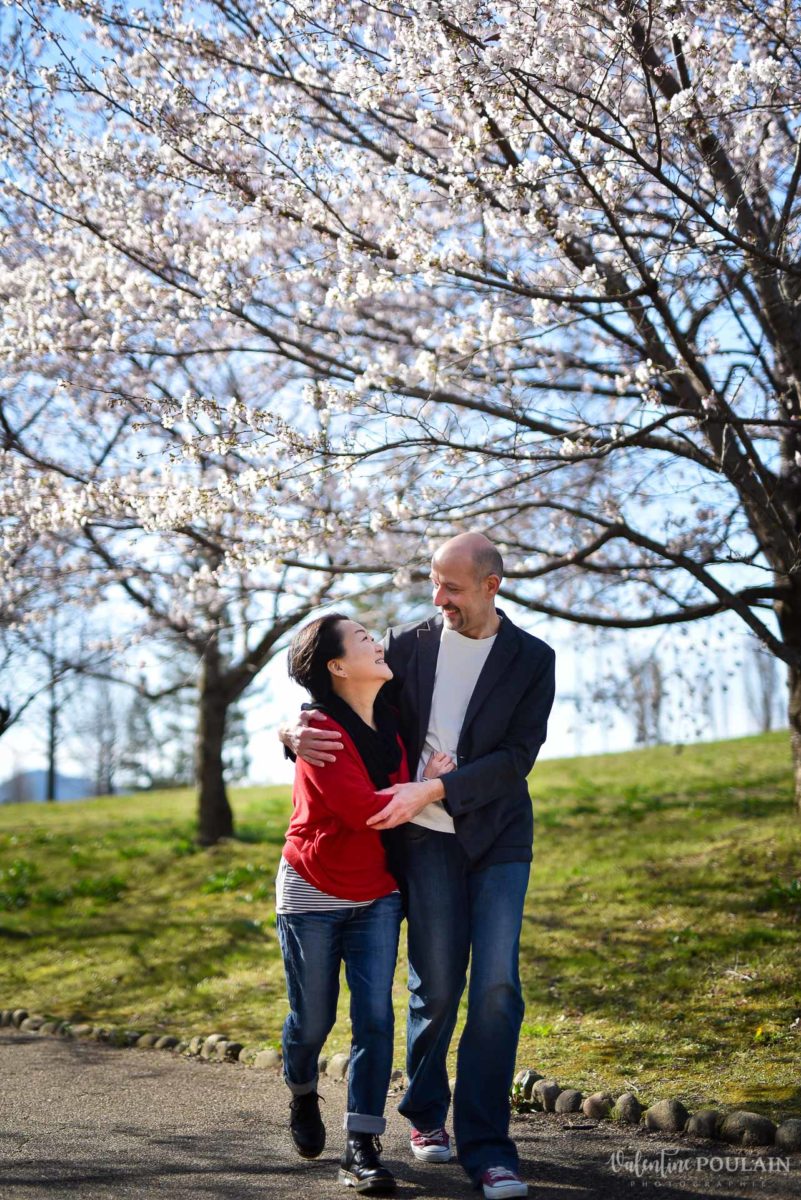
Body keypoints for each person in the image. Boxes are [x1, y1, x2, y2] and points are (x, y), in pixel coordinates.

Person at [281, 533, 556, 1200]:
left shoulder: (531, 658)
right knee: (435, 987)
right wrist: (289, 733)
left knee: (496, 987)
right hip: (423, 843)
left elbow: (517, 755)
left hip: (497, 838)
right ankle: (425, 1111)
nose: (439, 599)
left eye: (452, 588)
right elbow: (340, 704)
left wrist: (432, 788)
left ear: (491, 586)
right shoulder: (407, 647)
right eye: (434, 584)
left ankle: (489, 1149)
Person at [276, 612, 452, 1195]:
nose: (376, 642)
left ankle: (361, 1145)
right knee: (314, 1021)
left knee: (374, 1019)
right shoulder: (319, 729)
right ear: (335, 665)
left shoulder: (395, 721)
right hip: (314, 887)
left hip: (376, 890)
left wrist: (421, 778)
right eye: (362, 638)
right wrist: (420, 787)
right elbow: (363, 810)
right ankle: (301, 1086)